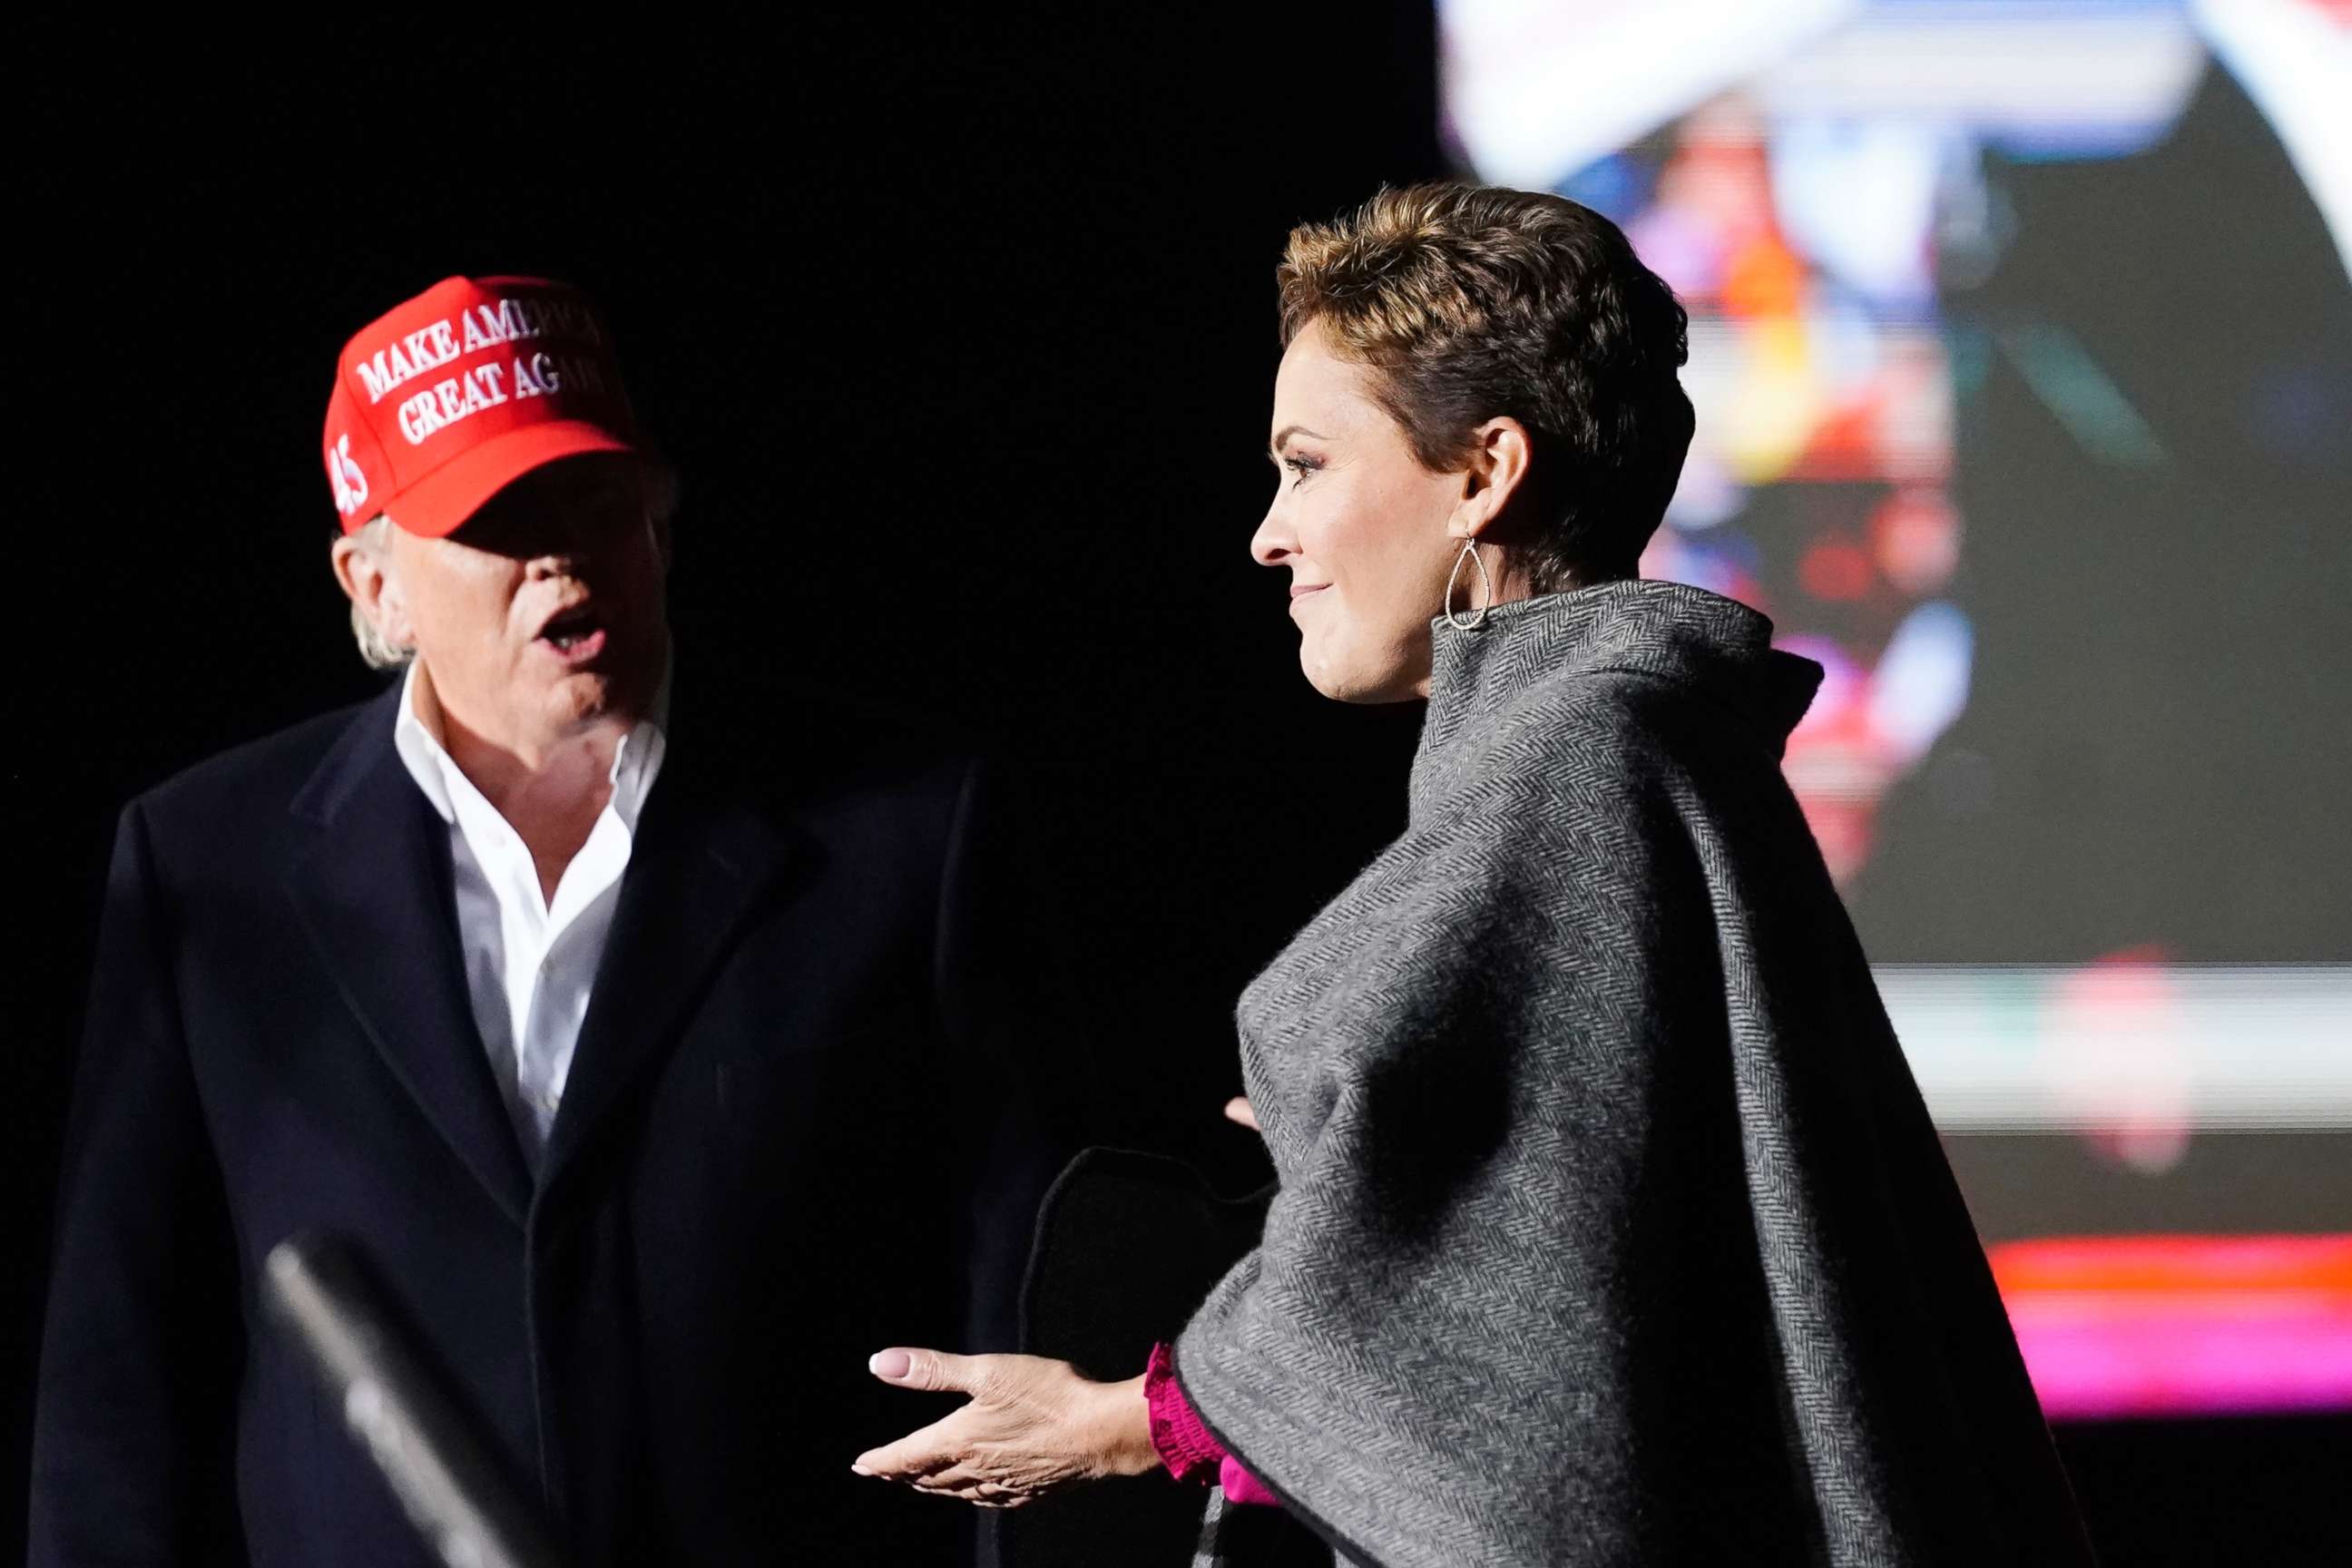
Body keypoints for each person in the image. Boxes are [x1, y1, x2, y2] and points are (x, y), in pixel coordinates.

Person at [848, 185, 2097, 1566]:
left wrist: (1141, 1419)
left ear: (1483, 474)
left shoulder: (1584, 756)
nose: (1271, 533)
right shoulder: (1631, 743)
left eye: (1308, 465)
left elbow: (1536, 1407)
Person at [29, 275, 1054, 1565]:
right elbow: (115, 1367)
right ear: (378, 585)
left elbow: (1015, 1300)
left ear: (661, 526)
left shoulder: (903, 830)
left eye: (594, 498)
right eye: (499, 518)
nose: (562, 555)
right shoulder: (201, 863)